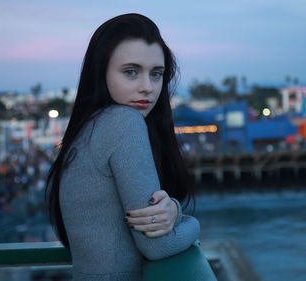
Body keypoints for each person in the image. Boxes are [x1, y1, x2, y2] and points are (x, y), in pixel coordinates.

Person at [46, 13, 200, 281]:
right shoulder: (122, 122)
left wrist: (171, 210)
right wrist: (189, 221)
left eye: (156, 74)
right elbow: (158, 245)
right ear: (101, 72)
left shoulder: (89, 128)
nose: (147, 88)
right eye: (131, 72)